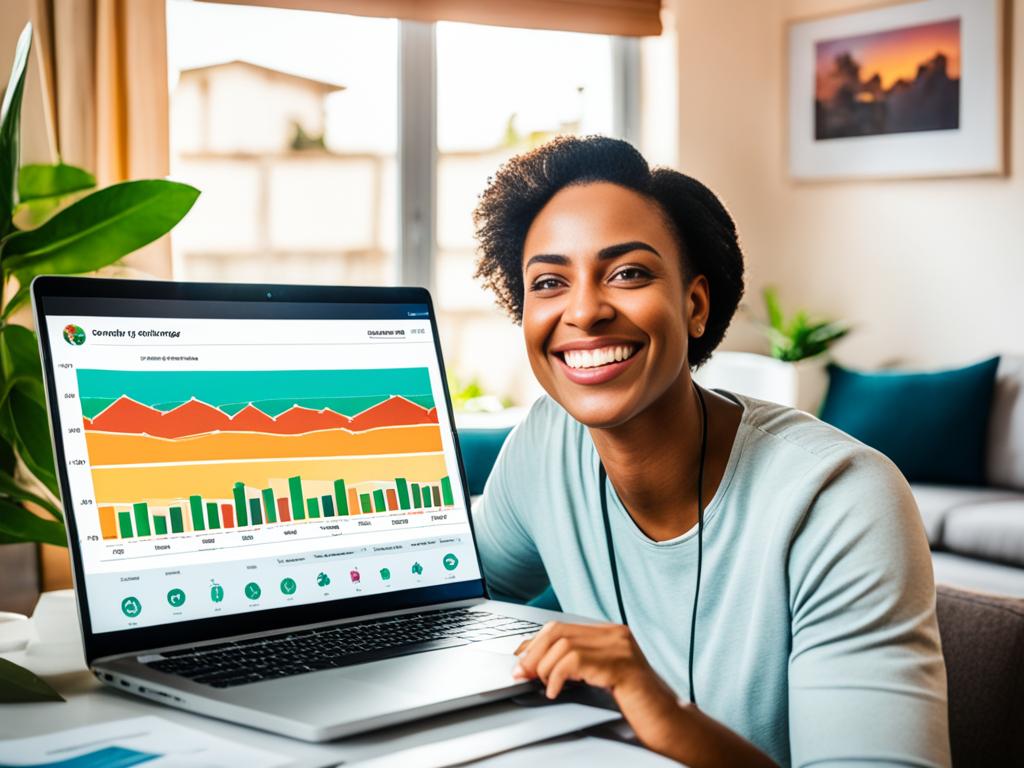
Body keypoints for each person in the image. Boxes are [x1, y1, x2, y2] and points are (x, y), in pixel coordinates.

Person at [470, 136, 950, 767]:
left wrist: (663, 714)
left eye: (629, 273)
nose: (583, 310)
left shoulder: (840, 499)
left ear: (694, 306)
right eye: (550, 282)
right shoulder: (547, 442)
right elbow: (444, 593)